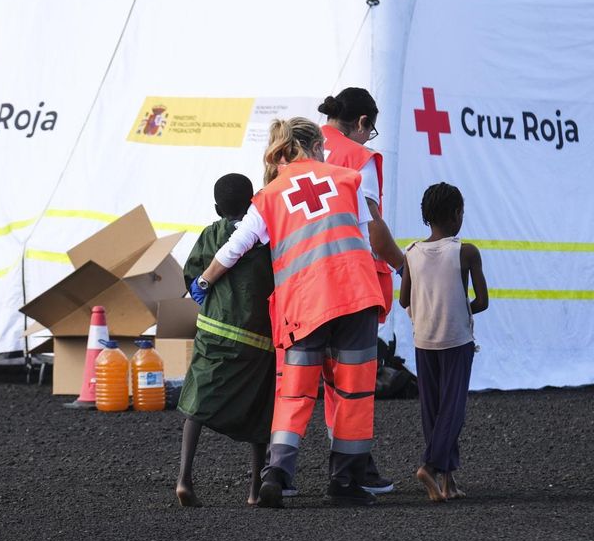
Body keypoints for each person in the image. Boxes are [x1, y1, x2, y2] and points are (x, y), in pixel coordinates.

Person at [194, 117, 385, 508]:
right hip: (355, 297)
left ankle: (277, 475)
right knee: (352, 393)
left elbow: (236, 246)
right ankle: (345, 483)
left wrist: (204, 282)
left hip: (303, 306)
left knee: (294, 393)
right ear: (317, 146)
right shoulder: (349, 180)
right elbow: (365, 244)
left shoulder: (270, 195)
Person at [316, 87, 404, 495]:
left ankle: (274, 474)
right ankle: (353, 470)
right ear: (363, 123)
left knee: (297, 384)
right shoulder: (358, 159)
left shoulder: (300, 145)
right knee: (352, 381)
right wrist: (404, 266)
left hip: (303, 284)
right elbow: (372, 228)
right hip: (351, 283)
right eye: (372, 130)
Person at [175, 173, 276, 507]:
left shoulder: (210, 234)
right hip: (258, 340)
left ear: (217, 207)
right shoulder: (267, 238)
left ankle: (184, 478)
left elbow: (192, 277)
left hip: (214, 332)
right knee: (262, 410)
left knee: (198, 400)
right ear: (252, 203)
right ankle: (254, 491)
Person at [399, 183, 487, 502]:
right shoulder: (466, 251)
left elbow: (403, 299)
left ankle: (448, 483)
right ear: (456, 214)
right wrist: (460, 309)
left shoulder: (411, 253)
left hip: (424, 339)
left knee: (433, 410)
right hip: (457, 339)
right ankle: (430, 467)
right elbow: (482, 301)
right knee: (453, 409)